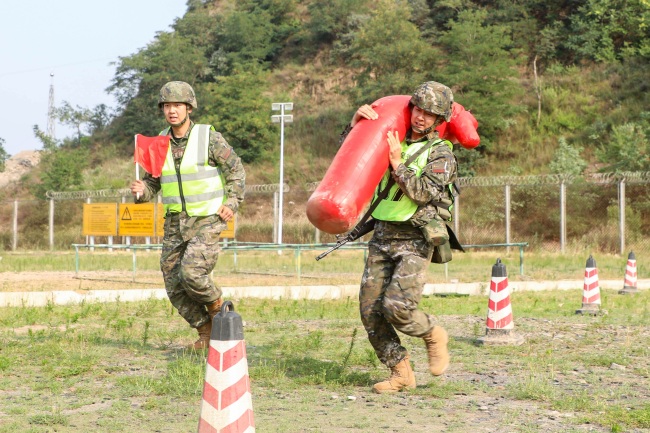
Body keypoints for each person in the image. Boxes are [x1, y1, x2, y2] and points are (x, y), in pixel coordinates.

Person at [340, 81, 458, 393]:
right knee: (370, 311)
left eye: (429, 113)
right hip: (382, 235)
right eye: (418, 109)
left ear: (438, 120)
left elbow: (423, 192)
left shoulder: (441, 154)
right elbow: (352, 164)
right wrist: (356, 128)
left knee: (397, 307)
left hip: (415, 237)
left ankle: (432, 334)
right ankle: (401, 373)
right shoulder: (390, 139)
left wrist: (397, 164)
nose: (421, 116)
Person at [130, 81, 246, 350]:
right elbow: (152, 184)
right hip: (173, 223)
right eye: (168, 106)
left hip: (207, 219)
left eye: (178, 106)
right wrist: (141, 190)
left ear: (189, 108)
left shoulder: (209, 138)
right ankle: (205, 333)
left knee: (192, 273)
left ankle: (219, 309)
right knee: (173, 282)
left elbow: (236, 171)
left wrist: (232, 202)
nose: (172, 111)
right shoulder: (158, 143)